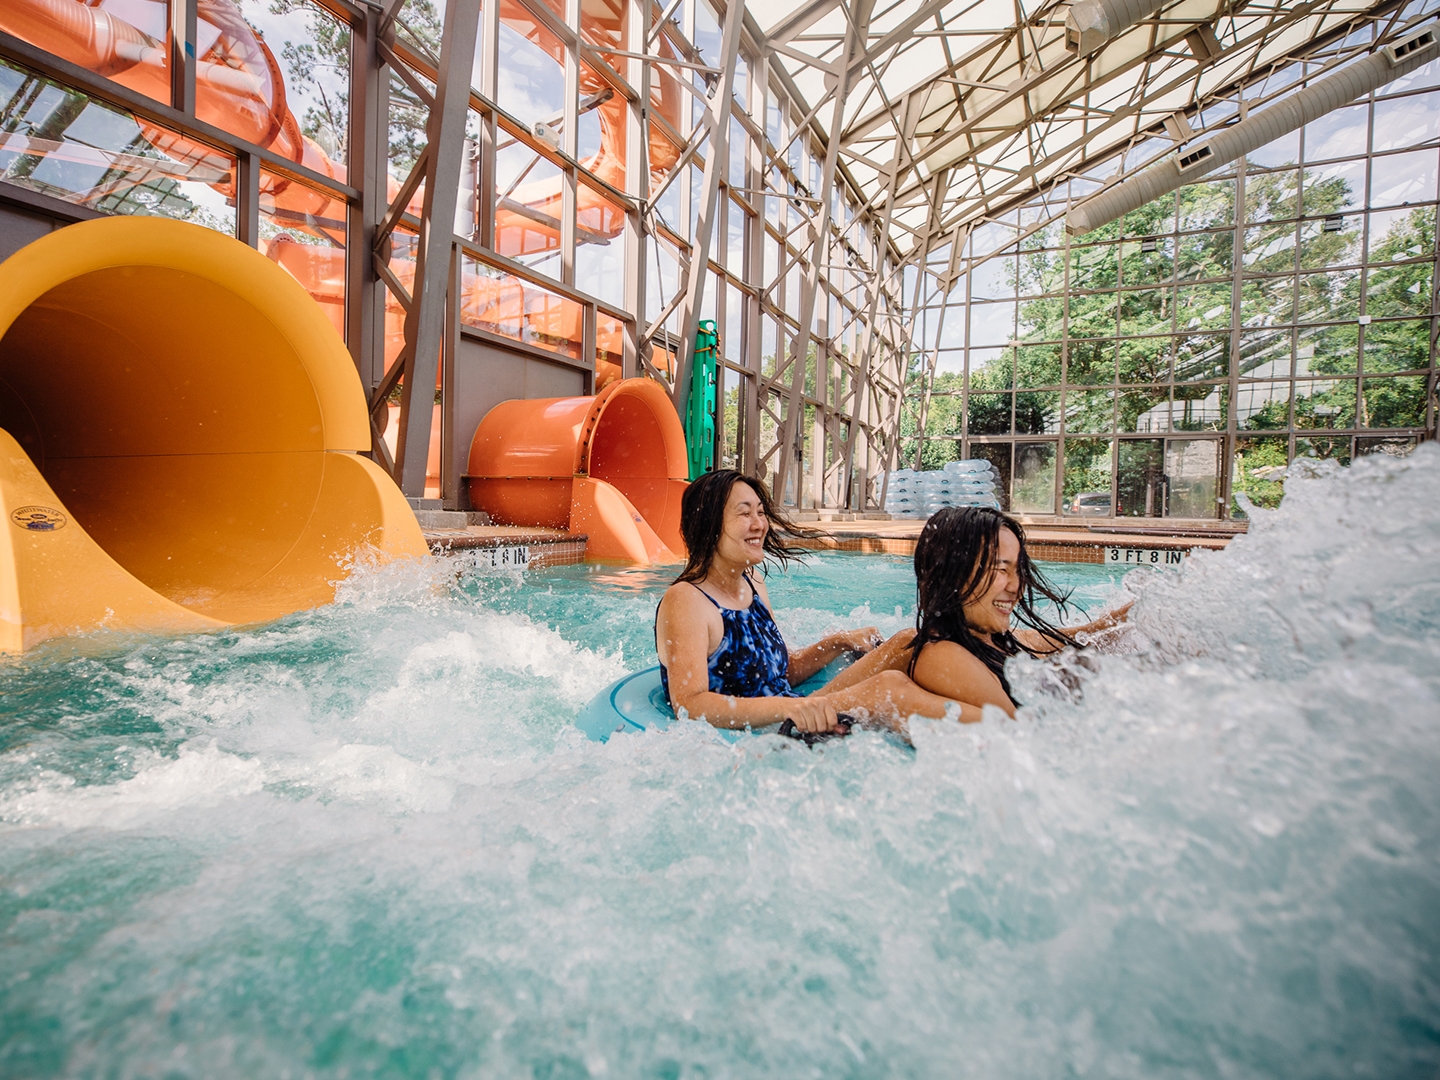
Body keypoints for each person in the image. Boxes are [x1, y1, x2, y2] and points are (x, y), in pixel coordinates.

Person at [654, 469, 956, 736]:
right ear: (708, 525)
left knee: (907, 641)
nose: (760, 524)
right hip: (763, 729)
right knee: (889, 688)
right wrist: (788, 709)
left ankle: (997, 696)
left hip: (793, 709)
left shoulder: (752, 582)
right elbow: (690, 704)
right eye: (745, 513)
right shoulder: (686, 600)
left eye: (760, 512)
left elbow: (781, 671)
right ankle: (997, 729)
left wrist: (840, 641)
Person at [901, 506, 1132, 717]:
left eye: (1018, 571)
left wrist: (1132, 616)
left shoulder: (993, 641)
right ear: (952, 574)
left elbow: (1073, 638)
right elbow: (1024, 738)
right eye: (1001, 569)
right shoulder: (943, 657)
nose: (1016, 587)